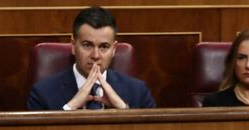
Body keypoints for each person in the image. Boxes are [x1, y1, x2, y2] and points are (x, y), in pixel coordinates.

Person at [26, 6, 155, 111]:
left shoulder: (139, 92)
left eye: (104, 47)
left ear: (114, 49)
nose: (95, 55)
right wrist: (69, 108)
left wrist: (124, 110)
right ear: (73, 46)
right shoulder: (42, 94)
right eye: (87, 45)